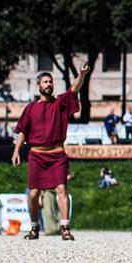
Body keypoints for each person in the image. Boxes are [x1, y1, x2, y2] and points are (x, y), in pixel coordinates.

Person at [12, 64, 90, 241]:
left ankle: (64, 228)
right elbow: (22, 130)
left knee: (61, 189)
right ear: (39, 85)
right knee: (33, 194)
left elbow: (74, 88)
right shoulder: (31, 108)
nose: (49, 84)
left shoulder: (60, 103)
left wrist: (82, 74)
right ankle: (34, 228)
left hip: (57, 155)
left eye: (51, 82)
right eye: (45, 82)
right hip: (36, 155)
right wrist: (16, 150)